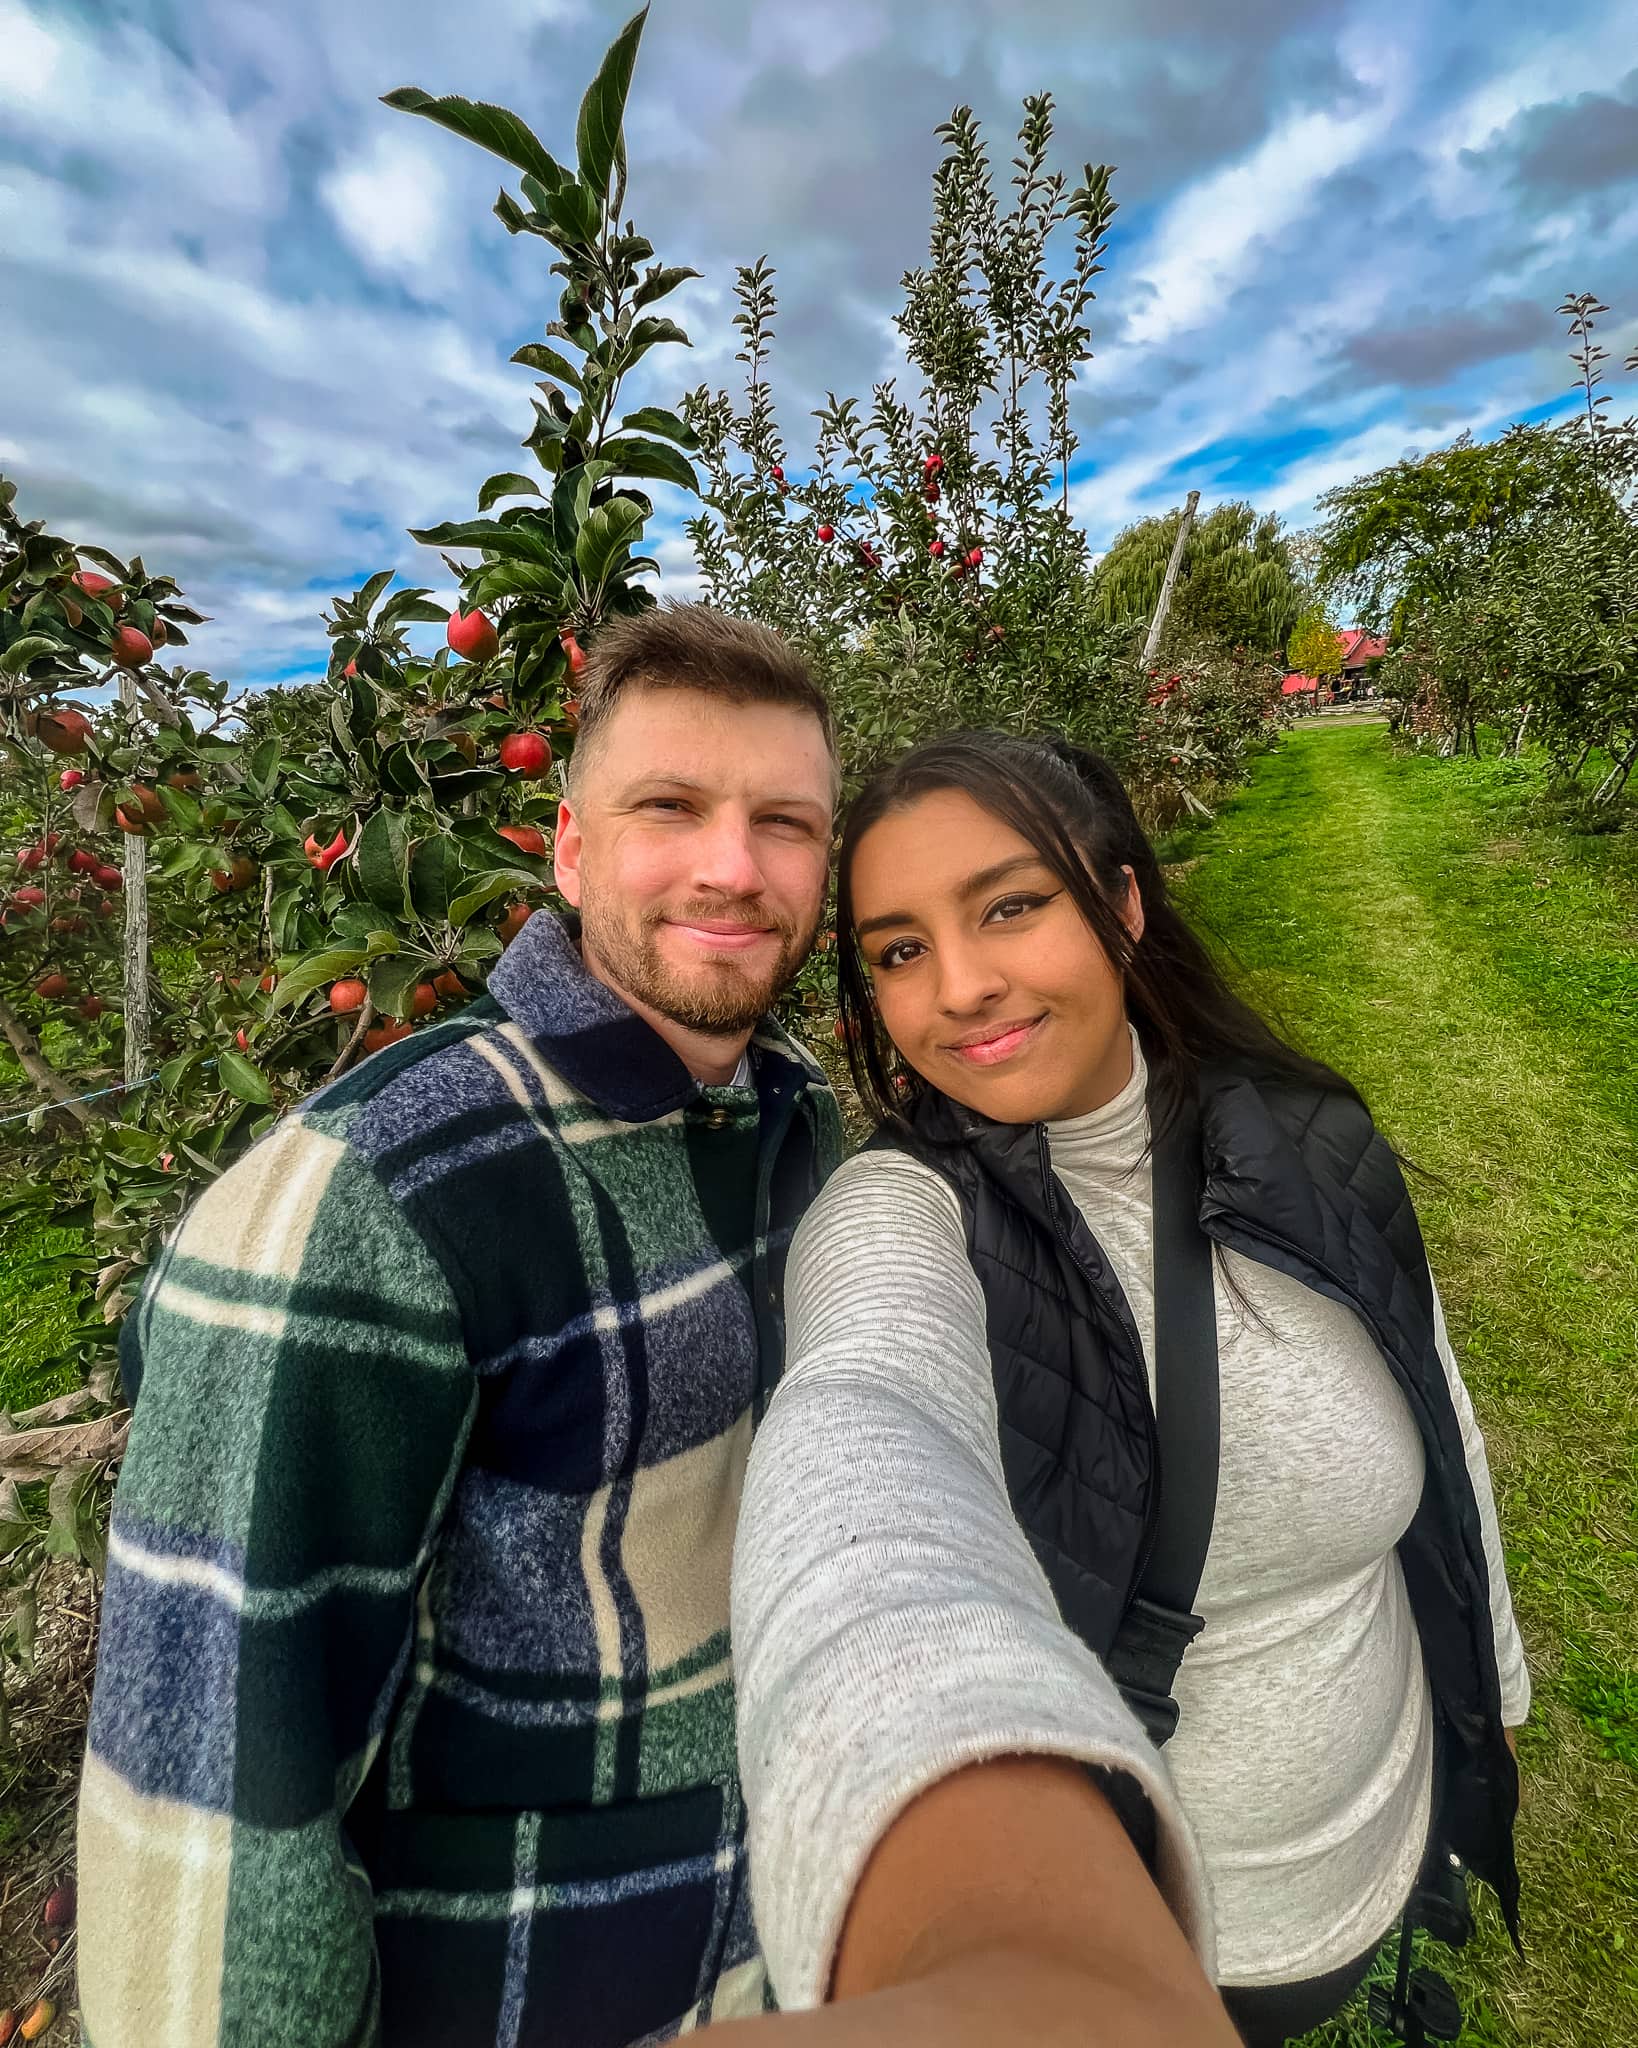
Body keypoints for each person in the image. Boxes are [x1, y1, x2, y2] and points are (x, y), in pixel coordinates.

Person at [78, 604, 844, 2047]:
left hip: (772, 1946)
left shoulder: (787, 1119)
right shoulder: (368, 1198)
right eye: (669, 808)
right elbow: (212, 1808)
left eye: (784, 823)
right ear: (568, 849)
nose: (734, 867)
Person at [732, 731, 1529, 2048]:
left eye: (1008, 907)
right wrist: (973, 1930)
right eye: (899, 950)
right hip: (1191, 1938)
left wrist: (1489, 1701)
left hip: (1394, 1818)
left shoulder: (1308, 1139)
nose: (961, 988)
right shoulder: (901, 1223)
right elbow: (864, 1436)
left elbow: (1438, 1425)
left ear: (1123, 901)